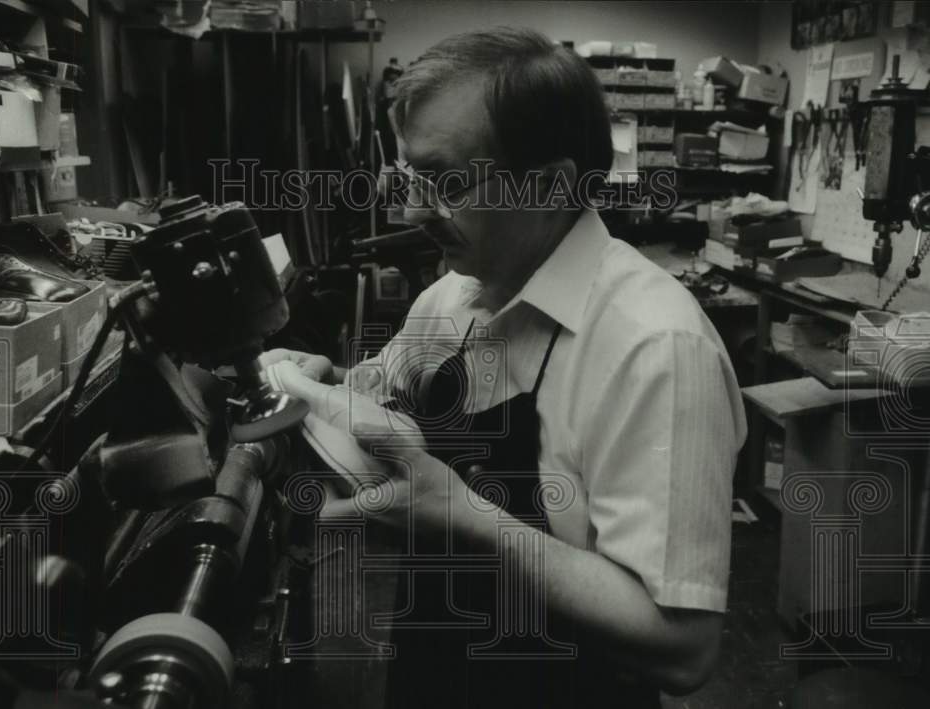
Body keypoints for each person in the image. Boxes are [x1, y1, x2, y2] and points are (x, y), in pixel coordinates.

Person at [262, 26, 746, 708]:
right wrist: (327, 389)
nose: (410, 210)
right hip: (436, 668)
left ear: (550, 187)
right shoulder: (452, 294)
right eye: (410, 177)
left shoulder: (656, 347)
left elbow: (683, 644)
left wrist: (466, 514)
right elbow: (390, 392)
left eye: (446, 182)